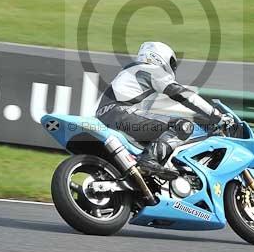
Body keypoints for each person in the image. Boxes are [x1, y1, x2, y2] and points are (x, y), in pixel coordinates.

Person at [96, 42, 235, 178]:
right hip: (121, 114)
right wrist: (215, 115)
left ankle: (147, 172)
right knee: (183, 126)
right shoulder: (150, 69)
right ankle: (149, 160)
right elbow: (183, 95)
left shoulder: (131, 71)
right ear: (159, 57)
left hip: (109, 117)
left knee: (158, 130)